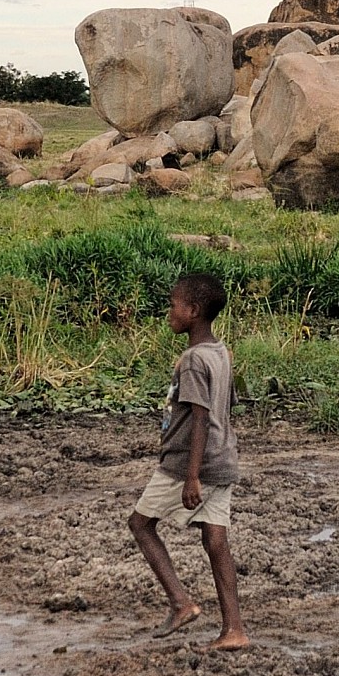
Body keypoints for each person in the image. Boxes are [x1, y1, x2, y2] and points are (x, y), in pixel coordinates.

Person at [127, 272, 248, 650]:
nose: (169, 312)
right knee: (216, 541)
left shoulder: (194, 360)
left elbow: (200, 418)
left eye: (173, 305)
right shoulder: (220, 352)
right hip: (223, 460)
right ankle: (234, 630)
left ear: (193, 311)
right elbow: (225, 407)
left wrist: (192, 476)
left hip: (187, 465)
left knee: (140, 524)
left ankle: (181, 603)